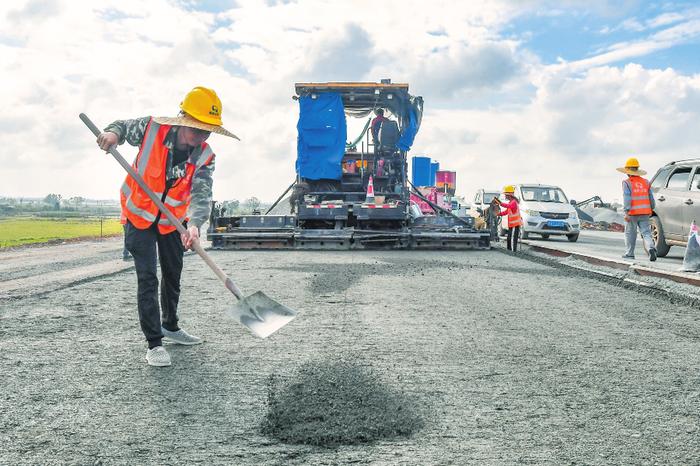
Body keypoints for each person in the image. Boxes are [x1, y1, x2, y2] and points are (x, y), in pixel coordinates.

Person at [96, 86, 238, 367]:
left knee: (173, 274)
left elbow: (201, 193)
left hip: (174, 221)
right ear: (183, 119)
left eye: (207, 131)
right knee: (148, 278)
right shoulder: (152, 129)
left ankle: (170, 326)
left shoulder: (204, 156)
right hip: (139, 217)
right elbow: (121, 127)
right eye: (197, 129)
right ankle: (154, 343)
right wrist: (112, 134)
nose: (201, 136)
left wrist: (195, 225)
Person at [617, 157, 656, 261]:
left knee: (630, 233)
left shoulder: (627, 182)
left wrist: (626, 212)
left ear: (627, 171)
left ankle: (630, 253)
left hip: (632, 213)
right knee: (646, 233)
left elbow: (627, 198)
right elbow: (651, 198)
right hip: (645, 213)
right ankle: (651, 248)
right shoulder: (646, 182)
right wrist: (652, 208)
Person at [495, 185, 522, 252]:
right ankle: (509, 250)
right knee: (509, 237)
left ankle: (513, 251)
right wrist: (498, 214)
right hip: (512, 224)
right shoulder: (511, 202)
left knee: (513, 238)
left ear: (509, 195)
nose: (505, 196)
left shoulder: (513, 202)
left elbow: (508, 206)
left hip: (516, 224)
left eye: (505, 195)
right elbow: (507, 211)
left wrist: (500, 203)